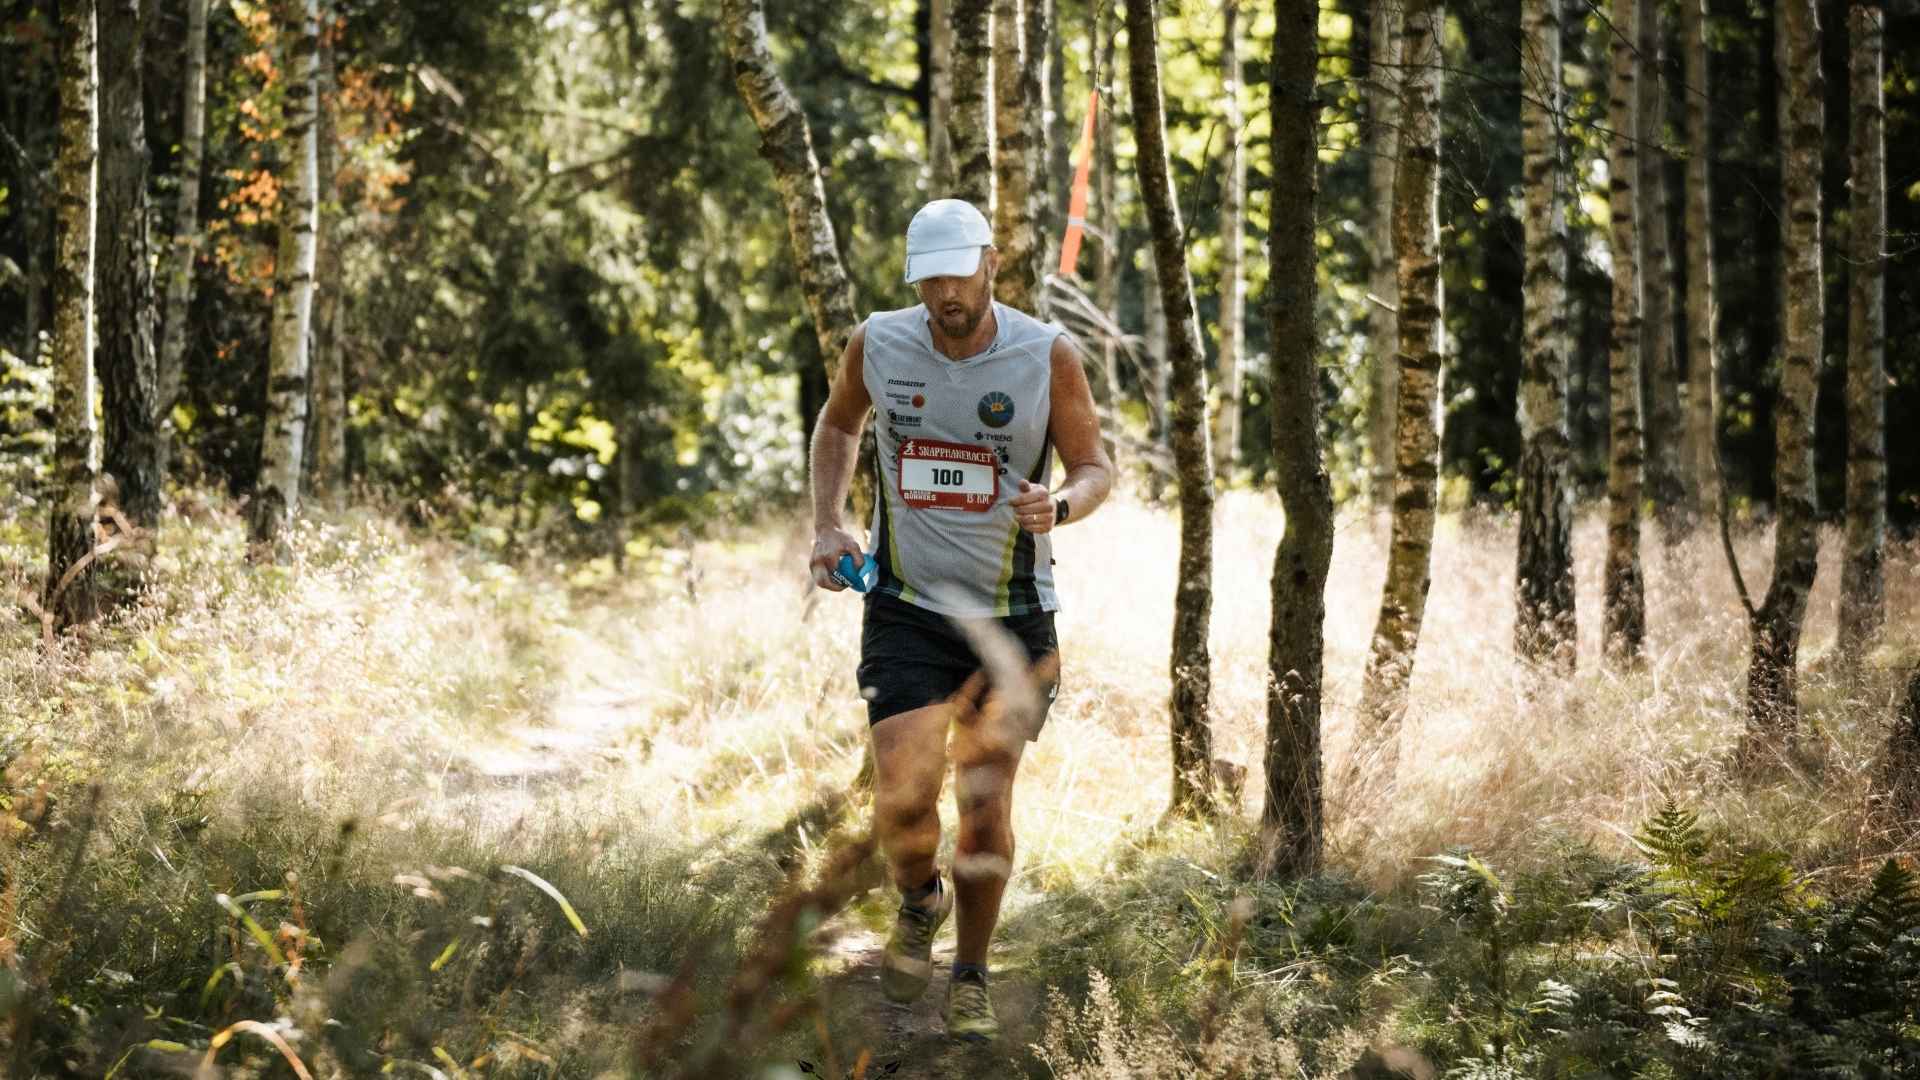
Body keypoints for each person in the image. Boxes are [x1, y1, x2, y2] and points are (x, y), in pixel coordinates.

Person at [808, 199, 1113, 1042]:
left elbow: (1093, 467)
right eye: (930, 278)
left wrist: (1060, 504)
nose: (946, 293)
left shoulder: (1045, 355)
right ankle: (918, 901)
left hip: (1013, 619)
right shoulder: (881, 339)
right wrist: (830, 522)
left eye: (959, 273)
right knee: (903, 808)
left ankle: (972, 973)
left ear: (988, 266)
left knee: (984, 810)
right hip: (905, 607)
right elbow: (839, 421)